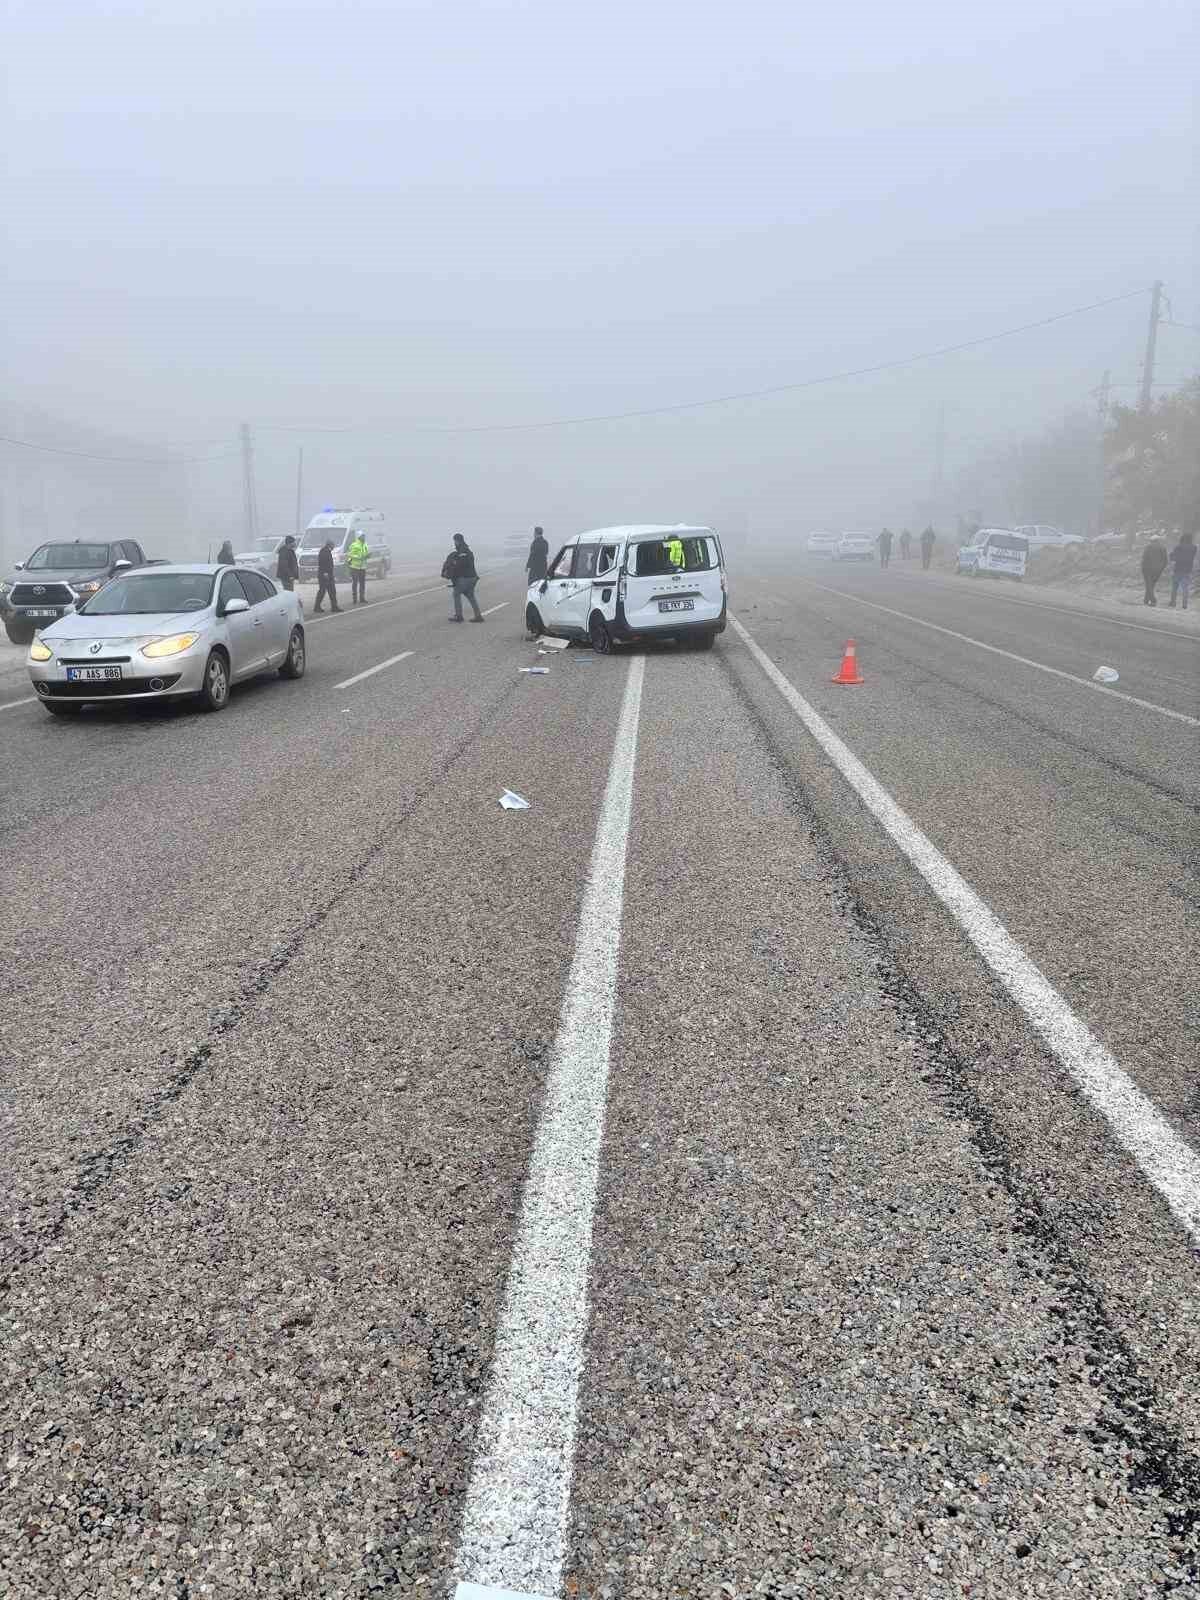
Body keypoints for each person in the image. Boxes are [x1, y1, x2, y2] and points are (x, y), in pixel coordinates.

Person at [446, 533, 484, 622]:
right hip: (473, 577)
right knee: (470, 596)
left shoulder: (462, 551)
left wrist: (453, 566)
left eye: (455, 541)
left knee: (456, 594)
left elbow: (461, 565)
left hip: (466, 578)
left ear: (457, 541)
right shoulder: (466, 550)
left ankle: (459, 616)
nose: (454, 543)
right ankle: (478, 616)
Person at [1167, 530, 1196, 609]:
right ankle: (1184, 604)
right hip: (1187, 570)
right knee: (1185, 588)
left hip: (1178, 569)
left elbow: (1173, 557)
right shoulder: (1194, 548)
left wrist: (1171, 555)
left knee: (1174, 587)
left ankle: (1173, 602)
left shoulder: (1179, 547)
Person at [313, 537, 340, 613]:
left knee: (332, 591)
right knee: (322, 591)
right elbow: (322, 563)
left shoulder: (327, 551)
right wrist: (325, 573)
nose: (334, 546)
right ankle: (317, 607)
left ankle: (334, 607)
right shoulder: (324, 551)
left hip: (328, 575)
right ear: (330, 545)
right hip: (324, 575)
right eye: (333, 545)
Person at [1140, 534, 1168, 606]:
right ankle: (1146, 600)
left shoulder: (1148, 547)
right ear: (1158, 540)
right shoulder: (1163, 548)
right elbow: (1165, 560)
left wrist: (1142, 567)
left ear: (1151, 541)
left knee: (1148, 585)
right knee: (1151, 585)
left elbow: (1144, 558)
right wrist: (1162, 568)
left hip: (1147, 569)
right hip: (1158, 570)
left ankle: (1153, 600)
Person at [346, 529, 369, 605]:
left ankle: (362, 598)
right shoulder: (354, 545)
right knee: (355, 583)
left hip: (363, 567)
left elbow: (366, 553)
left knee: (362, 583)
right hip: (354, 567)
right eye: (362, 536)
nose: (364, 537)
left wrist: (367, 556)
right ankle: (354, 599)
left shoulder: (365, 544)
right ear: (359, 537)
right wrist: (359, 557)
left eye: (364, 536)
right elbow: (350, 555)